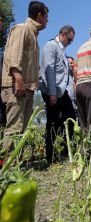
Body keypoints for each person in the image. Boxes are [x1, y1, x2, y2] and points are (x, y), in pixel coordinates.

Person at [0, 1, 48, 162]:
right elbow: (14, 56)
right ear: (40, 15)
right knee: (14, 128)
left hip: (27, 88)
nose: (47, 20)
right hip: (17, 86)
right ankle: (7, 169)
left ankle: (16, 166)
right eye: (46, 16)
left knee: (22, 129)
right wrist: (19, 80)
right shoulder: (22, 29)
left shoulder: (33, 35)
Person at [39, 25, 76, 164]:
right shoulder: (51, 46)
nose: (70, 42)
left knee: (71, 118)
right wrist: (52, 93)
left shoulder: (62, 51)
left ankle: (65, 150)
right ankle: (50, 155)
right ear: (62, 34)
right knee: (52, 122)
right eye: (69, 39)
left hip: (61, 91)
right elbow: (49, 70)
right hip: (51, 91)